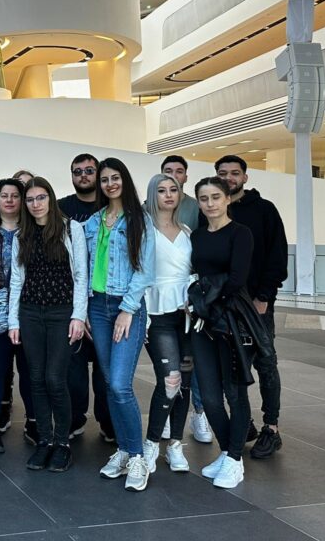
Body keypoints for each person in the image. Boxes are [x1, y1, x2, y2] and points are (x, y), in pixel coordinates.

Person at [8, 178, 87, 473]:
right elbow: (17, 279)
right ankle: (44, 441)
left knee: (55, 378)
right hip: (29, 313)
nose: (36, 204)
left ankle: (62, 443)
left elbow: (81, 275)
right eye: (30, 199)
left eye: (41, 197)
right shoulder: (22, 235)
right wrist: (13, 320)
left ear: (51, 199)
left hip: (61, 313)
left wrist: (78, 316)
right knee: (36, 379)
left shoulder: (70, 229)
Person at [84, 157, 153, 493]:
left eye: (115, 178)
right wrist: (82, 308)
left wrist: (127, 309)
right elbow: (83, 267)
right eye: (105, 179)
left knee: (121, 384)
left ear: (124, 180)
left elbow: (144, 270)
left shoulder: (140, 219)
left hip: (126, 307)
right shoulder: (94, 221)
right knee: (109, 382)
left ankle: (138, 456)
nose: (110, 184)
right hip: (97, 307)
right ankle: (124, 450)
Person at [215, 155, 287, 459]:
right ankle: (245, 424)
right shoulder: (214, 210)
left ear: (245, 177)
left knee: (266, 363)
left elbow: (277, 256)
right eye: (223, 173)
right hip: (224, 307)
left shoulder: (264, 211)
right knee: (232, 366)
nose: (229, 177)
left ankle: (272, 427)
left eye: (234, 173)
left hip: (256, 304)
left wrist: (263, 297)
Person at [190, 176, 255, 489]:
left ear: (227, 199)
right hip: (203, 321)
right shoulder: (198, 237)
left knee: (234, 392)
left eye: (215, 197)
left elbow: (236, 278)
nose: (210, 203)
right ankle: (231, 454)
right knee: (211, 397)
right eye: (204, 198)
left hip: (230, 320)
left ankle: (233, 458)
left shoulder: (241, 234)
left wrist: (205, 301)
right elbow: (195, 274)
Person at [57, 153, 114, 444]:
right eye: (77, 171)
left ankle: (108, 422)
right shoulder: (61, 208)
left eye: (89, 170)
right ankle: (75, 419)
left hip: (106, 300)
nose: (83, 175)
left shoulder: (110, 206)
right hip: (73, 300)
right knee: (73, 370)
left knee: (106, 369)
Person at [140, 174, 193, 477]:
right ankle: (150, 444)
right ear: (152, 195)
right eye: (161, 190)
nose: (168, 195)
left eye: (174, 189)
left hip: (186, 316)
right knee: (170, 380)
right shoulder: (144, 231)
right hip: (156, 314)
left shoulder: (186, 231)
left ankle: (175, 443)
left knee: (184, 382)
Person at [0, 178, 36, 453]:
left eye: (15, 195)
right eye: (5, 195)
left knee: (28, 369)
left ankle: (33, 421)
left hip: (29, 308)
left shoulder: (34, 230)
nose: (10, 200)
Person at [159, 155, 211, 444]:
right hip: (162, 301)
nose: (174, 176)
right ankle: (166, 415)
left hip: (191, 299)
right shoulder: (149, 209)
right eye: (168, 172)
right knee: (168, 366)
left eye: (179, 172)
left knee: (194, 363)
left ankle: (199, 412)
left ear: (186, 177)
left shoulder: (195, 208)